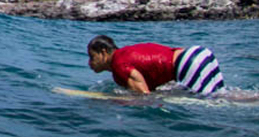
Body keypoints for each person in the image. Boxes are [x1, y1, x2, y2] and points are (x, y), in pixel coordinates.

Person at [86, 35, 224, 96]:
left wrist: (116, 102)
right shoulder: (124, 54)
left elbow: (143, 96)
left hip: (189, 63)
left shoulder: (119, 65)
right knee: (222, 97)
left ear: (103, 53)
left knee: (215, 104)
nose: (89, 63)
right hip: (198, 55)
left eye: (92, 57)